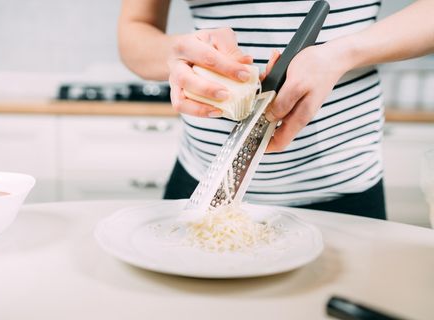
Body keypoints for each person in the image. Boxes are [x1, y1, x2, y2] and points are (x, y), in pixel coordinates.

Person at [118, 0, 434, 219]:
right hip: (203, 179)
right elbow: (135, 29)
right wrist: (175, 53)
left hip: (346, 185)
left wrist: (342, 53)